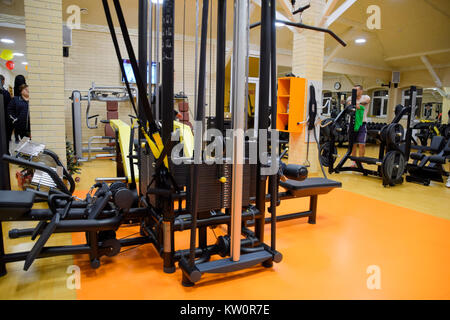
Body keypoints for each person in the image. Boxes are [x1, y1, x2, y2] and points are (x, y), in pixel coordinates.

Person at [347, 85, 370, 166]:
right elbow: (350, 104)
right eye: (353, 90)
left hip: (362, 124)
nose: (354, 92)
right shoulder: (350, 98)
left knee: (362, 145)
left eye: (356, 90)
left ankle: (360, 162)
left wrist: (358, 104)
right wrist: (357, 104)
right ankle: (354, 162)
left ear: (361, 91)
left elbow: (366, 102)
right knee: (353, 144)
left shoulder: (366, 97)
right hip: (352, 124)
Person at [13, 75, 27, 143]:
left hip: (17, 110)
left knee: (17, 125)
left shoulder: (15, 89)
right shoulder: (25, 88)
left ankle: (17, 138)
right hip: (23, 111)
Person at [0, 75, 12, 146]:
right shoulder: (5, 93)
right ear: (3, 81)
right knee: (5, 136)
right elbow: (9, 107)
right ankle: (6, 153)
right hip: (4, 119)